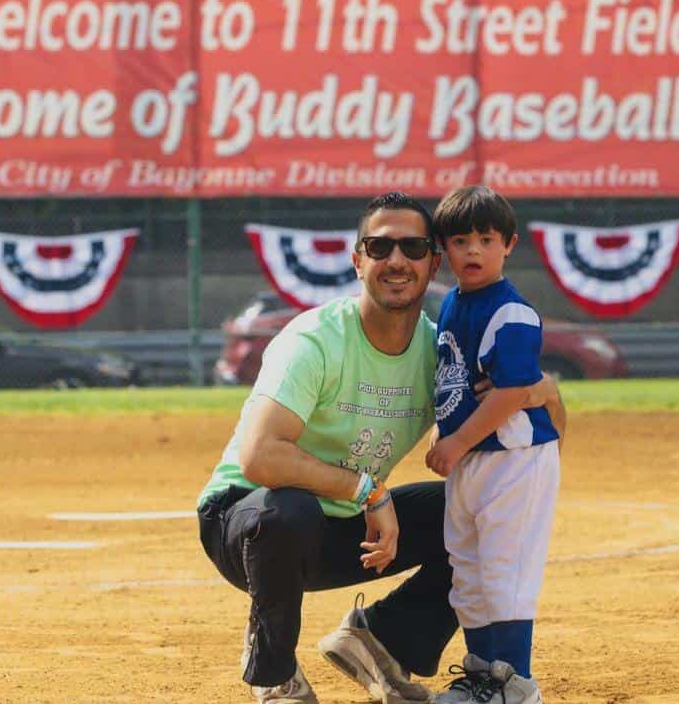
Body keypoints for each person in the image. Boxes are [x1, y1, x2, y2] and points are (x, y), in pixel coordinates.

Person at [197, 191, 564, 704]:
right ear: (357, 259)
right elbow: (261, 458)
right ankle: (274, 672)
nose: (397, 260)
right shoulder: (315, 340)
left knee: (468, 511)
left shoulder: (437, 352)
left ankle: (381, 643)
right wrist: (369, 491)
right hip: (246, 520)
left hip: (342, 525)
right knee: (288, 510)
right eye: (380, 246)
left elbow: (525, 403)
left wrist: (542, 388)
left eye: (413, 247)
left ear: (434, 262)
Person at [426, 186, 566, 704]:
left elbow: (513, 390)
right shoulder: (454, 306)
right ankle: (484, 675)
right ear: (444, 250)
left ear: (509, 244)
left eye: (486, 239)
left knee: (505, 571)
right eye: (460, 240)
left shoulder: (512, 312)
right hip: (472, 460)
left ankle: (515, 683)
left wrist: (458, 439)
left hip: (513, 461)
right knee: (468, 573)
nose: (473, 251)